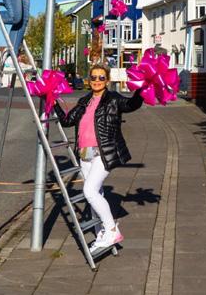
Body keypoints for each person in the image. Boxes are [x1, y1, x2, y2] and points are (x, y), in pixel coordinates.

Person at [55, 62, 143, 254]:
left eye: (101, 77)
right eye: (93, 77)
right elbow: (67, 121)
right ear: (89, 80)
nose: (97, 81)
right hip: (84, 154)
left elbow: (131, 104)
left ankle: (111, 230)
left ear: (107, 80)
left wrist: (142, 89)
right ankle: (101, 235)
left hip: (104, 152)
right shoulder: (84, 100)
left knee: (89, 191)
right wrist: (52, 101)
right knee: (96, 194)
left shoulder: (113, 99)